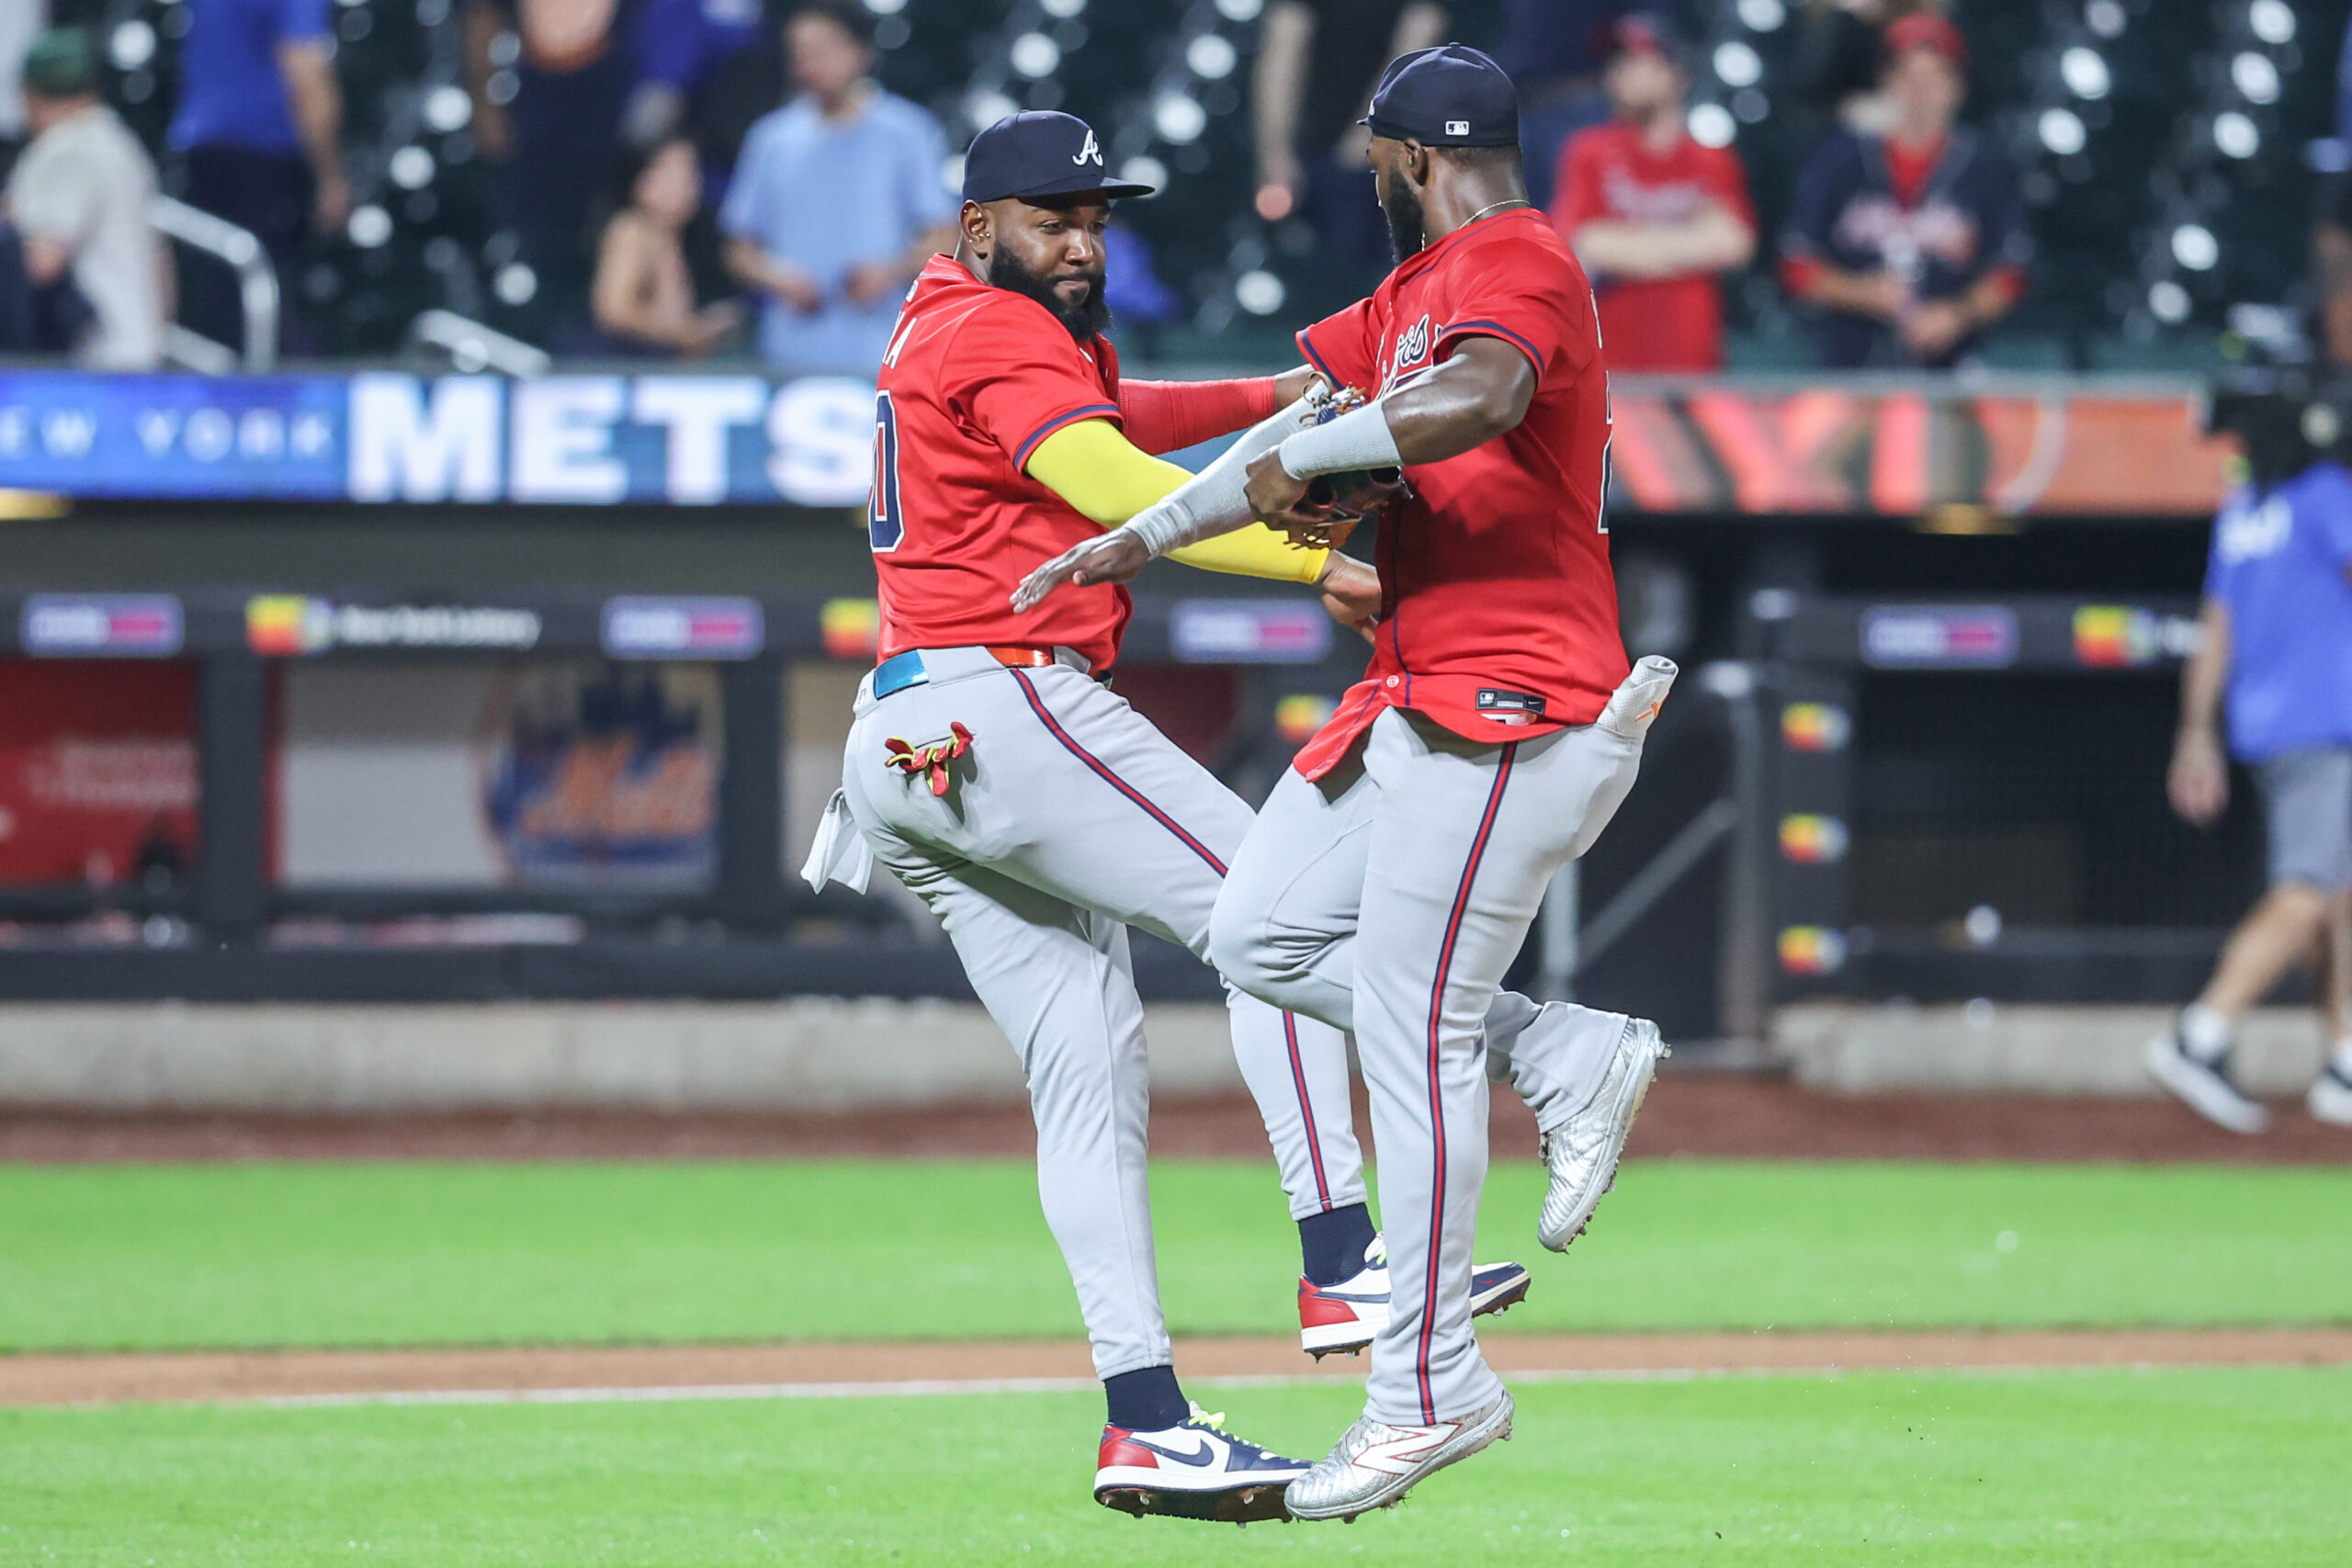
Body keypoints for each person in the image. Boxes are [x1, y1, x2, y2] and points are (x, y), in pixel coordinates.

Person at [801, 108, 1529, 1524]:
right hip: (1005, 700)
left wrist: (1275, 393)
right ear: (976, 229)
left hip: (902, 742)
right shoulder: (1001, 332)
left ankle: (1145, 1419)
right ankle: (1341, 1256)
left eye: (1094, 218)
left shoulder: (954, 321)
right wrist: (1315, 547)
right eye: (1048, 218)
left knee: (1088, 1069)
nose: (1078, 240)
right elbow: (1115, 488)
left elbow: (1127, 421)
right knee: (1274, 910)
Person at [1018, 48, 1675, 1520]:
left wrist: (1313, 454)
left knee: (1416, 1033)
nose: (1366, 177)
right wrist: (1142, 539)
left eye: (1377, 157)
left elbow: (1486, 396)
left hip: (1515, 701)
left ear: (1416, 156)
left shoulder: (1522, 262)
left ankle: (1428, 1389)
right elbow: (1282, 437)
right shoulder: (1403, 299)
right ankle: (1565, 1046)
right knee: (1258, 934)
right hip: (1419, 695)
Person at [2148, 374, 2352, 1133]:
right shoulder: (2327, 494)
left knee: (2337, 895)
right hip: (2328, 722)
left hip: (2264, 726)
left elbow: (2215, 628)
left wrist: (2195, 733)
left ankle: (2344, 1060)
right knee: (2305, 891)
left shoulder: (2244, 510)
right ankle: (2200, 1034)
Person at [721, 0, 955, 378]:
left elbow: (944, 235)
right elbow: (739, 248)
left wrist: (889, 272)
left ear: (860, 52)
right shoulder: (771, 139)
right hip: (787, 355)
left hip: (888, 354)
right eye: (800, 52)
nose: (810, 64)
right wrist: (778, 278)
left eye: (823, 50)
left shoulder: (909, 131)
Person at [1779, 15, 2028, 369]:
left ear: (1957, 87)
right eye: (1907, 76)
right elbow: (1796, 267)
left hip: (1950, 371)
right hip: (1849, 370)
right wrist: (1860, 292)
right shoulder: (1839, 160)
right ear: (1886, 81)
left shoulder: (1984, 168)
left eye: (1935, 77)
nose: (1920, 91)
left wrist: (1957, 314)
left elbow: (2011, 273)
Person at [1551, 16, 1755, 373]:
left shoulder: (1710, 158)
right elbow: (1584, 245)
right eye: (1618, 63)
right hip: (1611, 373)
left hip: (1694, 368)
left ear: (1677, 74)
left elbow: (1735, 244)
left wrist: (1633, 250)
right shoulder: (1590, 150)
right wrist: (1693, 243)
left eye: (1639, 61)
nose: (1623, 73)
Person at [167, 0, 348, 354]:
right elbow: (305, 70)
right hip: (264, 153)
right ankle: (279, 403)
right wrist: (330, 175)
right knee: (265, 308)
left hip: (203, 152)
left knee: (224, 302)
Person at [1251, 0, 1447, 288]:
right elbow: (1281, 54)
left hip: (1393, 156)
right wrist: (1275, 152)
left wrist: (1369, 134)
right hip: (1316, 154)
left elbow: (1415, 46)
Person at [6, 28, 165, 369]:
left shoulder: (67, 148)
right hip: (139, 356)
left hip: (93, 365)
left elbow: (40, 262)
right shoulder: (123, 145)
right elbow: (162, 266)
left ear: (29, 94)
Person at [589, 138, 742, 356]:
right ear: (643, 183)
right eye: (671, 176)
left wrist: (703, 327)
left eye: (690, 175)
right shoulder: (632, 231)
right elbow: (614, 311)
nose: (685, 186)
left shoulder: (675, 240)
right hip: (625, 370)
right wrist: (687, 331)